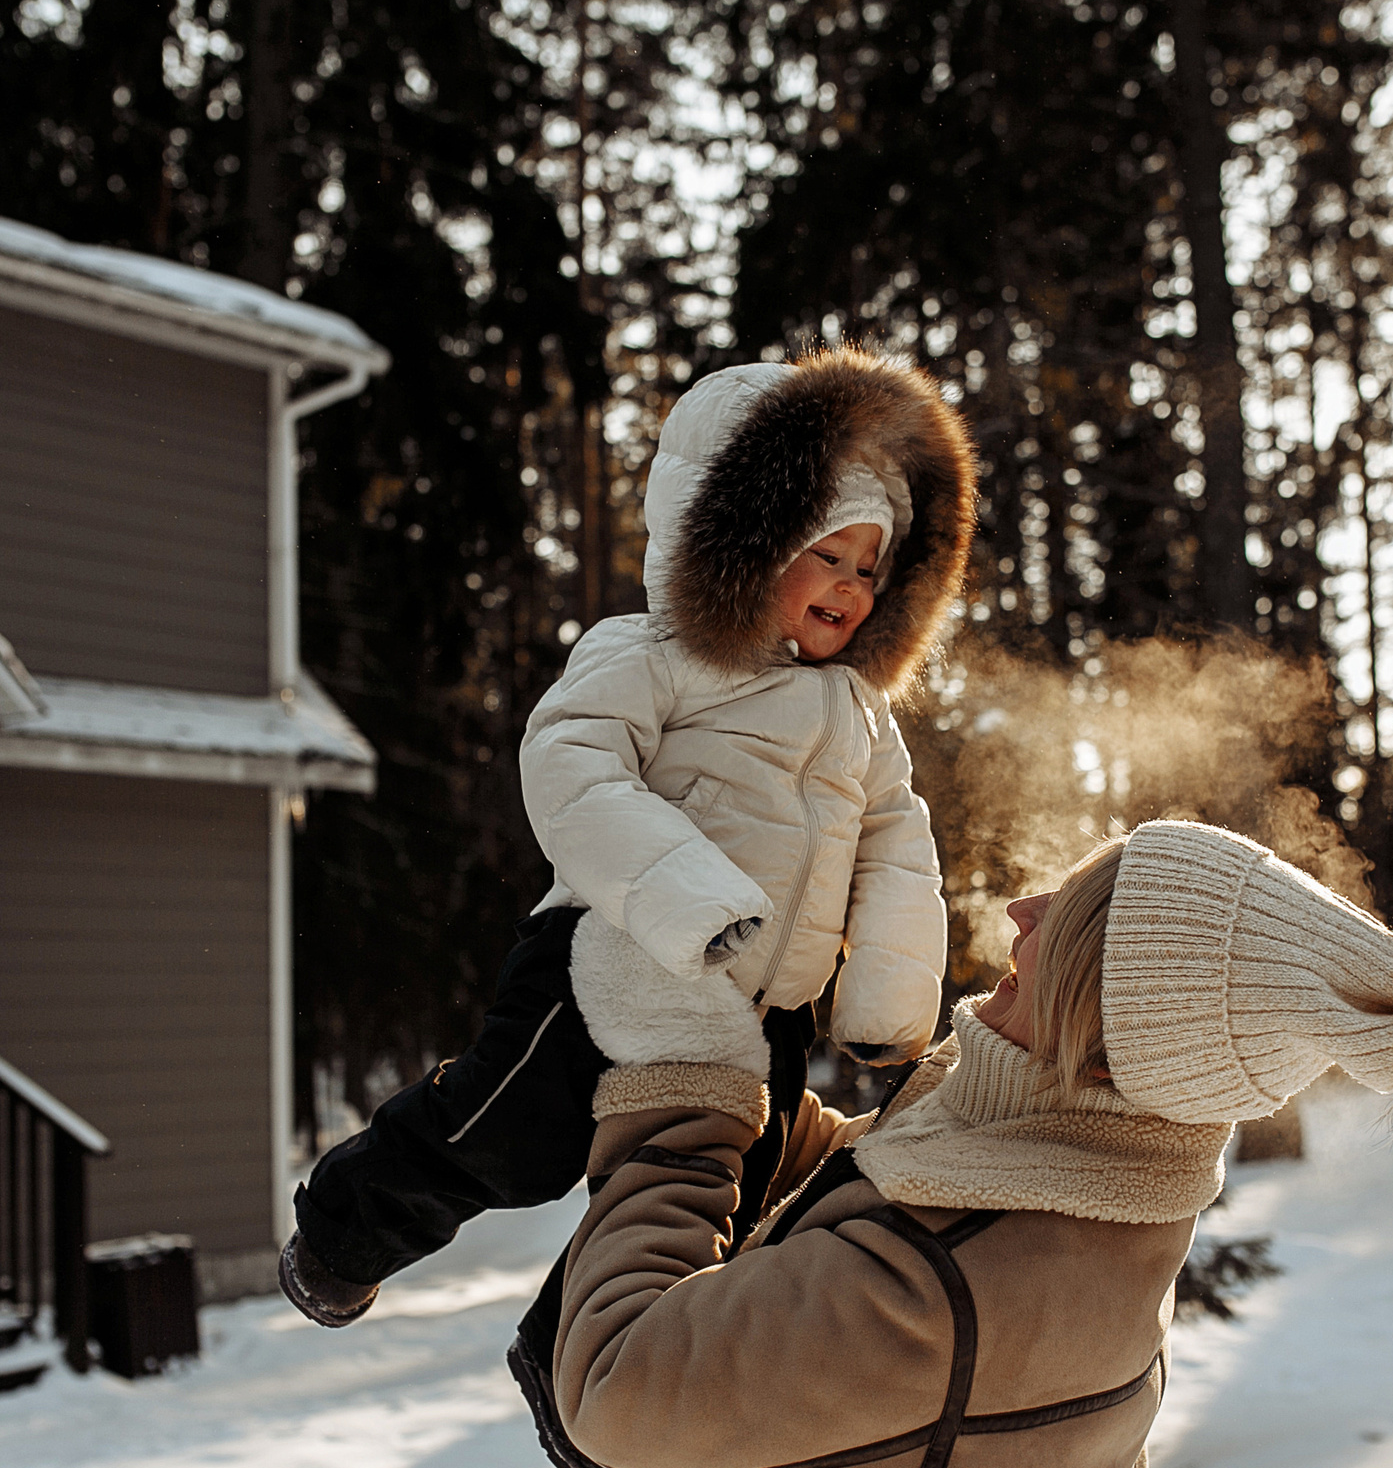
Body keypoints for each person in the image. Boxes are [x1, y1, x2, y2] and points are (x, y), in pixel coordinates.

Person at [528, 819, 1393, 1468]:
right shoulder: (1033, 1185)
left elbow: (618, 1386)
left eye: (1066, 921)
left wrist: (681, 1103)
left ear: (1116, 1034)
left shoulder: (968, 1283)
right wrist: (749, 1054)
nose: (1022, 912)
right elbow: (846, 1212)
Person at [279, 351, 978, 1401]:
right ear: (741, 543)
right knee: (514, 1138)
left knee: (716, 1195)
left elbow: (895, 841)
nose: (849, 586)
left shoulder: (861, 716)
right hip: (609, 957)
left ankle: (585, 1361)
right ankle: (342, 1232)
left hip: (762, 1008)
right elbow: (569, 763)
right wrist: (685, 896)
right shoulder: (653, 653)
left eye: (869, 568)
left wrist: (884, 993)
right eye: (824, 554)